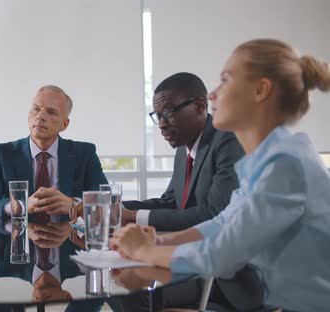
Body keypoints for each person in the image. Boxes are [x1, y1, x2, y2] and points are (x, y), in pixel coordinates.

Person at [110, 39, 330, 311]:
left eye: (225, 80)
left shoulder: (285, 164)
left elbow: (221, 256)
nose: (213, 94)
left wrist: (144, 251)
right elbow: (223, 222)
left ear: (261, 90)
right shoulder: (268, 160)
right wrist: (162, 240)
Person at [121, 72, 244, 231]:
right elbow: (171, 202)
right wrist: (116, 208)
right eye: (158, 116)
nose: (161, 124)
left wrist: (133, 216)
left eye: (168, 112)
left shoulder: (228, 141)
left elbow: (215, 214)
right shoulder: (183, 146)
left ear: (200, 106)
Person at [0, 85, 108, 221]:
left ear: (65, 124)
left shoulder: (85, 154)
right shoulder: (3, 154)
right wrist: (19, 206)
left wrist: (73, 205)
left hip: (70, 238)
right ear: (28, 115)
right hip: (17, 238)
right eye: (36, 109)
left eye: (51, 112)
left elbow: (107, 202)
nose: (40, 116)